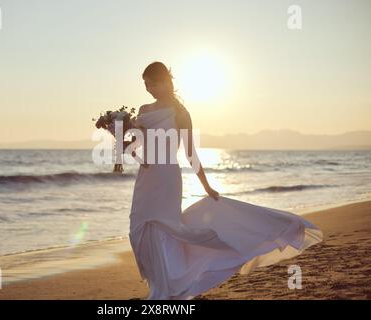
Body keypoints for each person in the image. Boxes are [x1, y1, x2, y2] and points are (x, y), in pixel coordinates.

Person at [128, 61, 323, 300]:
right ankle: (161, 284)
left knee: (163, 227)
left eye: (152, 83)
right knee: (138, 229)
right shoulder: (145, 110)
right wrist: (119, 133)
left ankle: (168, 286)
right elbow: (135, 146)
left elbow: (190, 153)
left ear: (165, 81)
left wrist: (206, 186)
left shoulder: (180, 114)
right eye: (145, 84)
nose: (148, 88)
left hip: (167, 177)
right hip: (147, 179)